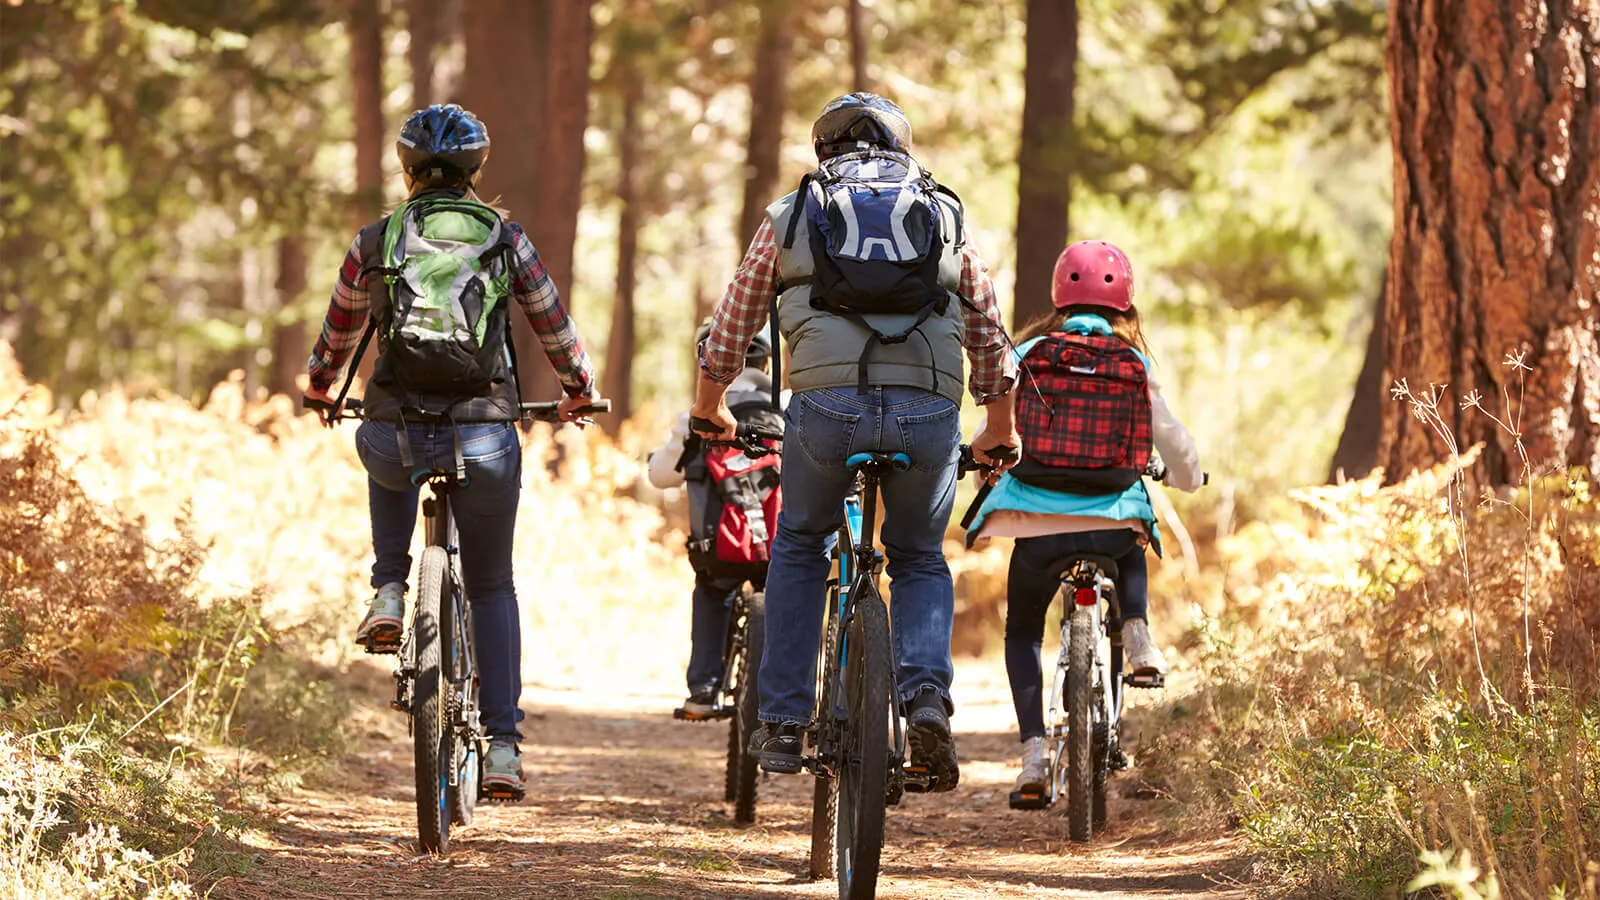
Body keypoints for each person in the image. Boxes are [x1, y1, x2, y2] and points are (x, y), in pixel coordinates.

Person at [690, 92, 1020, 792]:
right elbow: (987, 326)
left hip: (825, 410)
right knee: (921, 557)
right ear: (902, 147)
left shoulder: (793, 213)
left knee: (802, 544)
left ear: (823, 151)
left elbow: (731, 328)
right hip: (928, 411)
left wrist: (709, 409)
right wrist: (1000, 423)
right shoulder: (945, 212)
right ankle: (925, 698)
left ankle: (781, 722)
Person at [303, 103, 602, 799]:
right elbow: (553, 326)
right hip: (484, 430)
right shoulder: (505, 238)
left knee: (385, 449)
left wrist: (322, 389)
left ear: (407, 169)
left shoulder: (377, 240)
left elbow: (339, 332)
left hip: (395, 426)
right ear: (476, 171)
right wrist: (579, 390)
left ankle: (388, 587)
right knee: (493, 584)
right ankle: (502, 748)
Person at [964, 239, 1204, 801]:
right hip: (1110, 515)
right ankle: (1138, 635)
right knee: (1131, 540)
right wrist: (1189, 479)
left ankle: (1030, 757)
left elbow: (995, 430)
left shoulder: (1028, 354)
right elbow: (1174, 440)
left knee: (1023, 631)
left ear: (1058, 297)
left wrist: (983, 473)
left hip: (1036, 520)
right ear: (1124, 303)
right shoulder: (1134, 363)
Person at [646, 323, 784, 718]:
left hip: (718, 548)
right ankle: (787, 699)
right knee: (789, 596)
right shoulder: (787, 405)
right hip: (781, 545)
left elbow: (660, 476)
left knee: (712, 590)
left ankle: (704, 690)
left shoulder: (698, 415)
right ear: (765, 361)